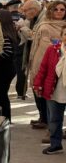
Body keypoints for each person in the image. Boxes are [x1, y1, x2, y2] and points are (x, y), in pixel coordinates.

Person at [26, 0, 66, 135]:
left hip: (62, 67)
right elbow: (38, 46)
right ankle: (52, 130)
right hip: (43, 64)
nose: (59, 12)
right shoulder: (44, 24)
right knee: (48, 98)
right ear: (50, 11)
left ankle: (55, 131)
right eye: (56, 9)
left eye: (62, 9)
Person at [33, 25, 66, 154]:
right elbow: (44, 68)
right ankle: (56, 145)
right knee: (54, 120)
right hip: (54, 90)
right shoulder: (52, 50)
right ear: (61, 36)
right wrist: (38, 84)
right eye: (65, 34)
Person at [0, 10, 19, 120]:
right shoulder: (9, 32)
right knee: (1, 94)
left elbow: (6, 52)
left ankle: (5, 118)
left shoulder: (4, 35)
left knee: (1, 95)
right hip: (6, 69)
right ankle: (6, 118)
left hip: (3, 69)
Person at [18, 0, 42, 102]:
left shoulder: (42, 19)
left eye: (25, 11)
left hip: (40, 57)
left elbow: (34, 36)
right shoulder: (33, 18)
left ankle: (43, 115)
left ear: (34, 10)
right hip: (34, 55)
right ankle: (42, 114)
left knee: (39, 84)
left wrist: (23, 27)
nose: (23, 13)